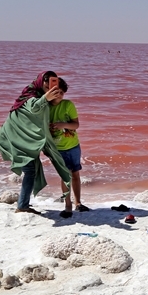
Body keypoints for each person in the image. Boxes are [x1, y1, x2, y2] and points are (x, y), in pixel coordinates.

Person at [0, 71, 71, 215]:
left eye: (51, 82)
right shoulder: (30, 97)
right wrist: (45, 98)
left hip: (23, 141)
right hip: (14, 139)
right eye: (46, 81)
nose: (48, 85)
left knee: (32, 171)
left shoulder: (39, 97)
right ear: (39, 81)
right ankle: (22, 206)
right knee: (30, 171)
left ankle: (23, 204)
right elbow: (34, 107)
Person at [48, 77, 90, 218]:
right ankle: (67, 204)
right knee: (65, 176)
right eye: (55, 92)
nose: (58, 95)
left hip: (72, 145)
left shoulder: (68, 105)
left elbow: (76, 125)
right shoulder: (45, 107)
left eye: (61, 92)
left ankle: (78, 202)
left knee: (75, 174)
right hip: (56, 148)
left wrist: (63, 125)